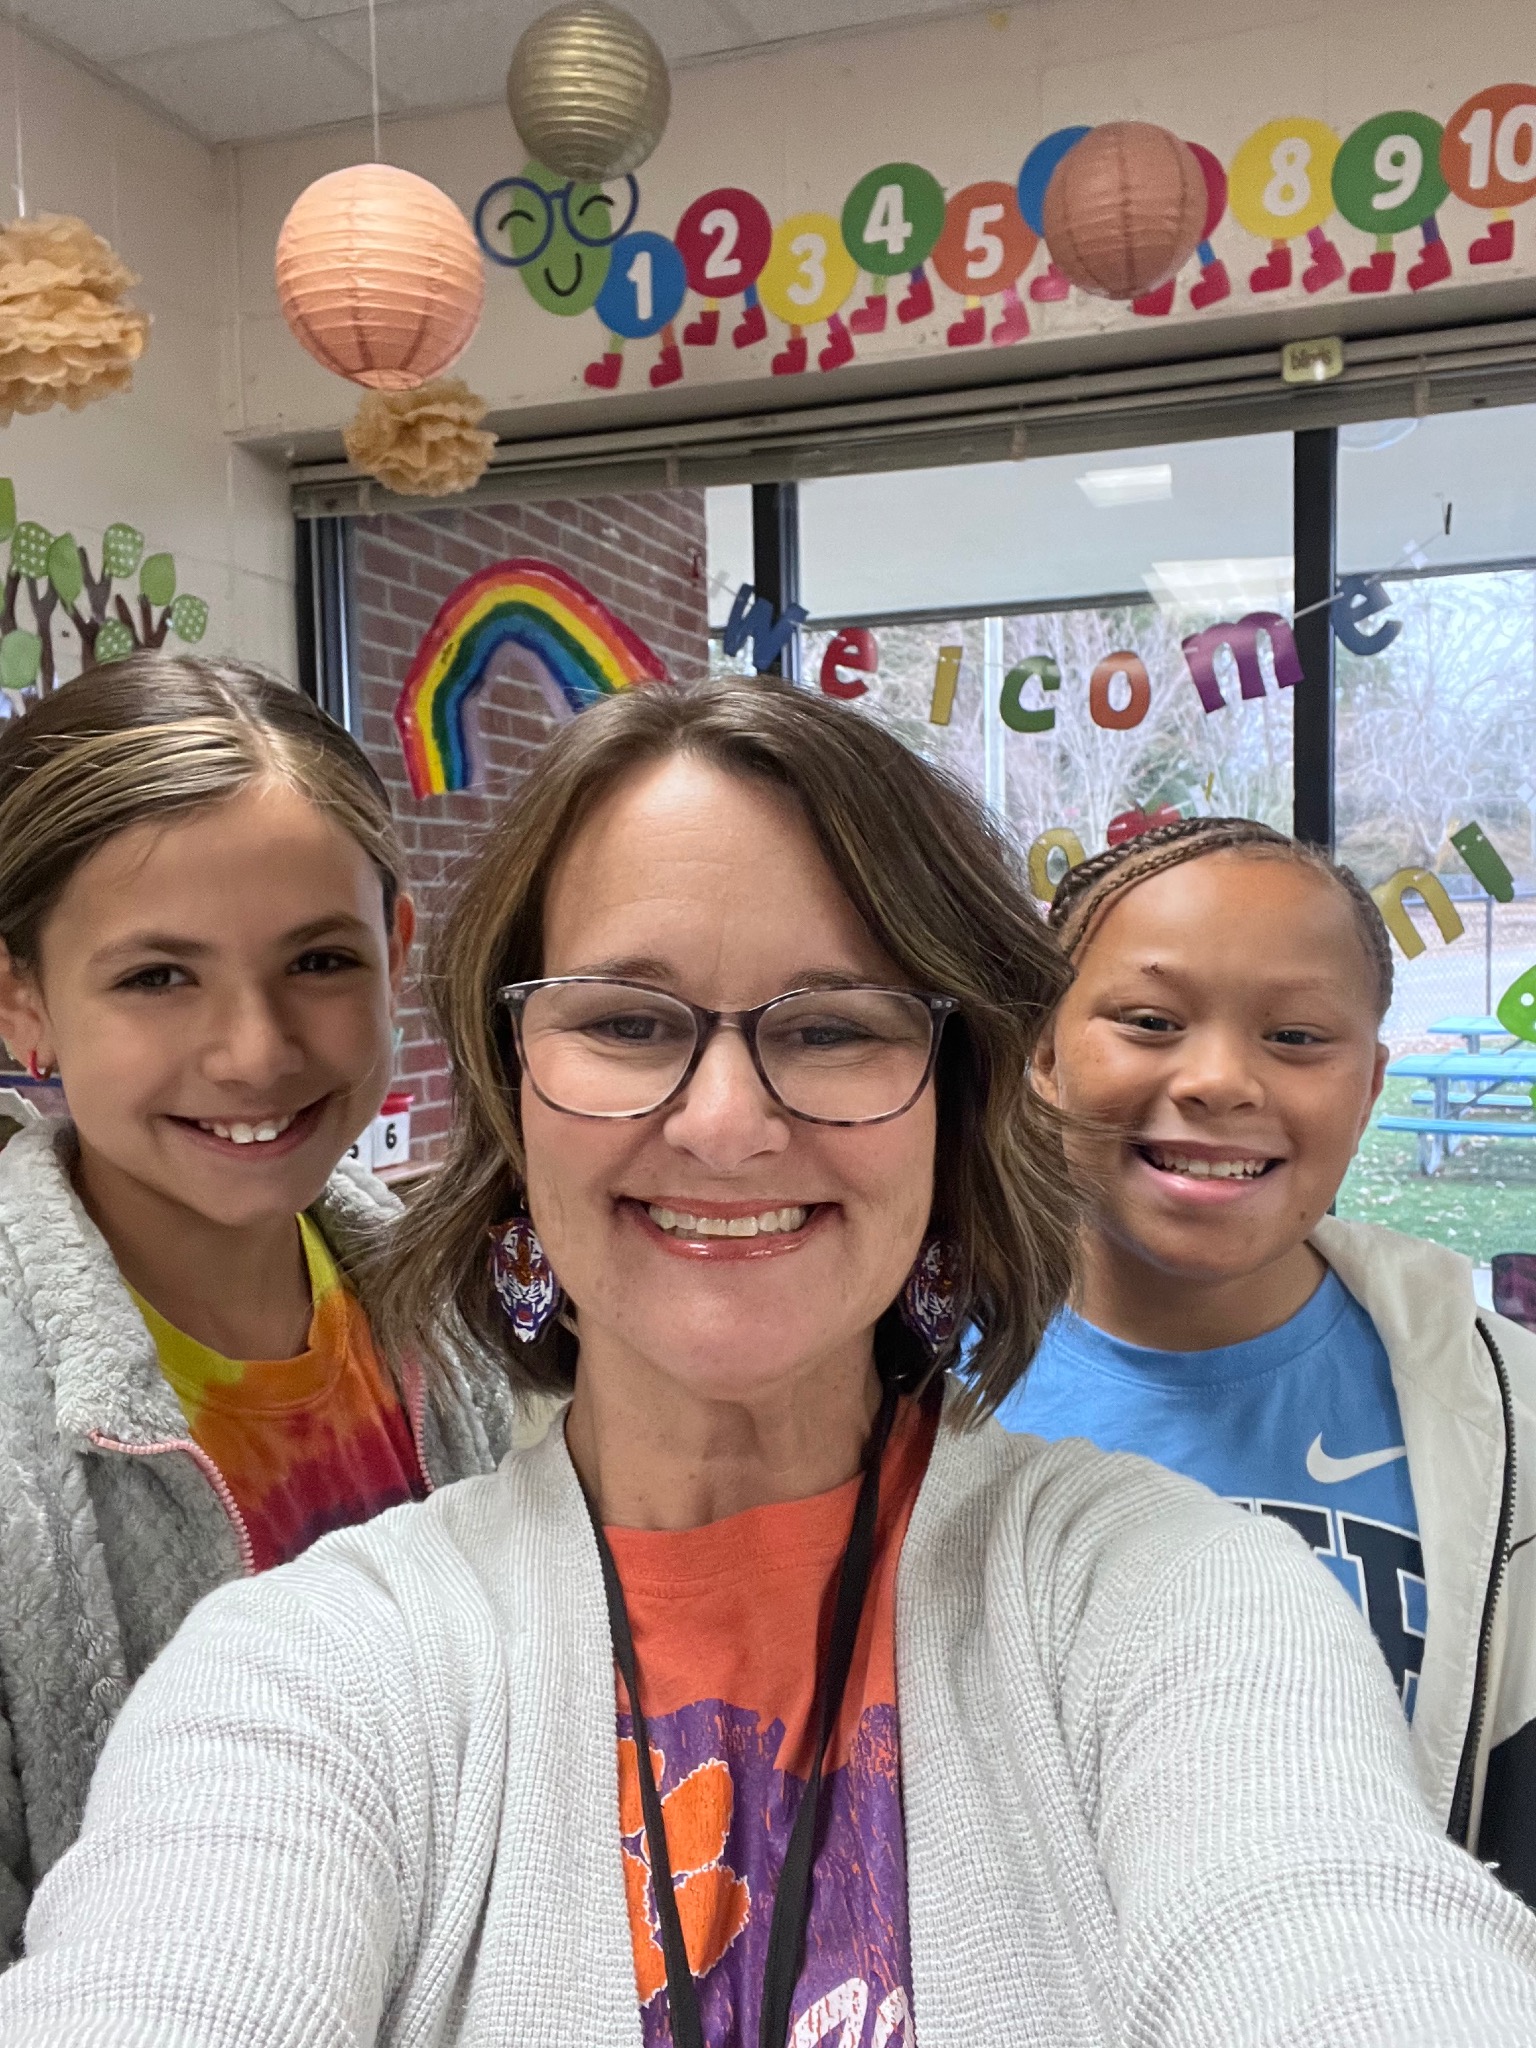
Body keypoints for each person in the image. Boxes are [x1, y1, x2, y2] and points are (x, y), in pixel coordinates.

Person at [4, 680, 1536, 2048]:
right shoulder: (315, 1667)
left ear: (955, 1097)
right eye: (626, 1021)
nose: (727, 1124)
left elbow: (1334, 1925)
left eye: (833, 1029)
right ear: (511, 1088)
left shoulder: (1172, 1603)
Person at [0, 653, 514, 1964]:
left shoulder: (449, 1314)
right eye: (156, 977)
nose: (257, 1051)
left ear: (397, 952)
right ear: (21, 1000)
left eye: (319, 960)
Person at [997, 815, 1536, 1908]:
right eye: (1151, 1021)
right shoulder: (889, 1383)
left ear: (1370, 1087)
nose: (1219, 1080)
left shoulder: (1508, 1414)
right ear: (1042, 1053)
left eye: (1295, 1036)